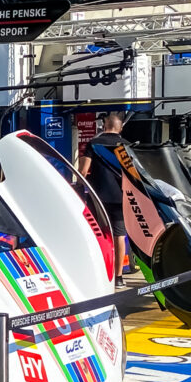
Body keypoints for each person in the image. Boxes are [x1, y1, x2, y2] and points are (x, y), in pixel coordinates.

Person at [77, 113, 128, 288]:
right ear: (120, 128)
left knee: (98, 234)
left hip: (97, 197)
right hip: (121, 199)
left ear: (104, 126)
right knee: (119, 236)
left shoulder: (94, 144)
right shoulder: (126, 146)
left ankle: (100, 274)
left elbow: (83, 171)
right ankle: (119, 277)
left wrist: (78, 185)